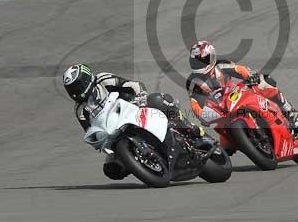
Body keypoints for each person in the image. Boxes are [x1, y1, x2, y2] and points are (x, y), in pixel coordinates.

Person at [63, 64, 210, 178]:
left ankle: (191, 128)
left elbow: (131, 84)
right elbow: (90, 130)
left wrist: (140, 95)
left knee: (158, 100)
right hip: (113, 130)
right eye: (71, 89)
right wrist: (99, 142)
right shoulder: (80, 110)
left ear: (87, 79)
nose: (75, 92)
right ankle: (143, 165)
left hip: (132, 109)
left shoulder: (103, 79)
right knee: (111, 169)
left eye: (78, 86)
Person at [185, 40, 298, 131]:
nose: (199, 64)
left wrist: (251, 76)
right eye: (195, 62)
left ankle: (289, 112)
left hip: (236, 95)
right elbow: (195, 104)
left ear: (211, 57)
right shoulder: (193, 82)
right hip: (221, 111)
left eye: (202, 61)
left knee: (264, 82)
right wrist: (202, 116)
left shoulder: (221, 65)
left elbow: (240, 70)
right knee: (224, 144)